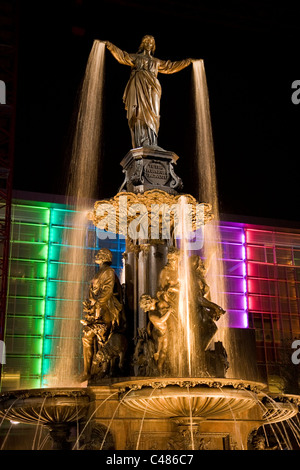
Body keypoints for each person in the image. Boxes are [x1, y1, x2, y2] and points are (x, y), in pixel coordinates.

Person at [102, 35, 195, 148]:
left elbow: (170, 67)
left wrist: (187, 61)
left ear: (153, 45)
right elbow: (122, 56)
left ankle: (152, 142)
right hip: (138, 85)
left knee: (154, 114)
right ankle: (140, 142)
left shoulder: (156, 61)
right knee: (138, 113)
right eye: (146, 41)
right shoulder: (136, 57)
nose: (149, 43)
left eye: (151, 42)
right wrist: (110, 45)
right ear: (142, 44)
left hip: (153, 88)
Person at [81, 248, 125, 381]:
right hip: (96, 310)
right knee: (87, 337)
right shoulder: (101, 272)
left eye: (99, 254)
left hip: (106, 309)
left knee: (104, 338)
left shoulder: (108, 272)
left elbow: (107, 290)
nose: (97, 256)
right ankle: (87, 371)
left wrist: (98, 304)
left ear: (105, 257)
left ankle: (107, 369)